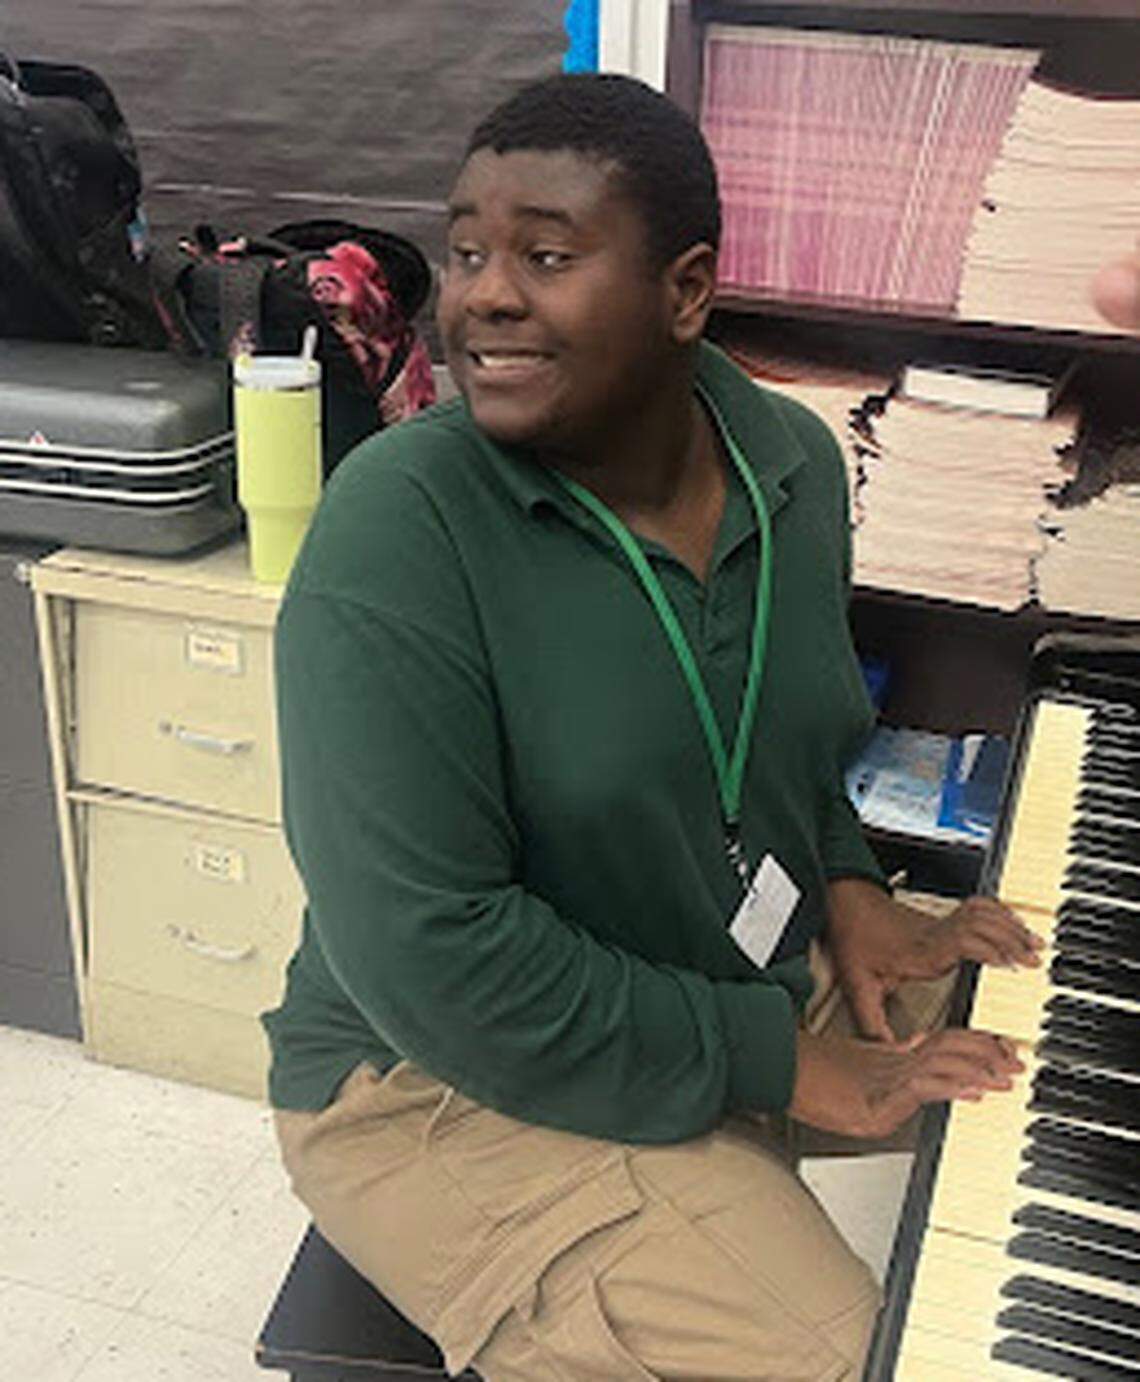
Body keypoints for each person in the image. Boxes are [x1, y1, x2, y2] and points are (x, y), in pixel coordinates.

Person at [264, 73, 1036, 1381]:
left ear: (686, 291)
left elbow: (788, 730)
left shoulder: (790, 464)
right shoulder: (400, 528)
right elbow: (438, 956)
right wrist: (782, 1062)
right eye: (464, 252)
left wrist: (847, 880)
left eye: (546, 255)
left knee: (1066, 1033)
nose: (483, 294)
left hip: (713, 970)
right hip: (445, 1082)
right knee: (868, 1359)